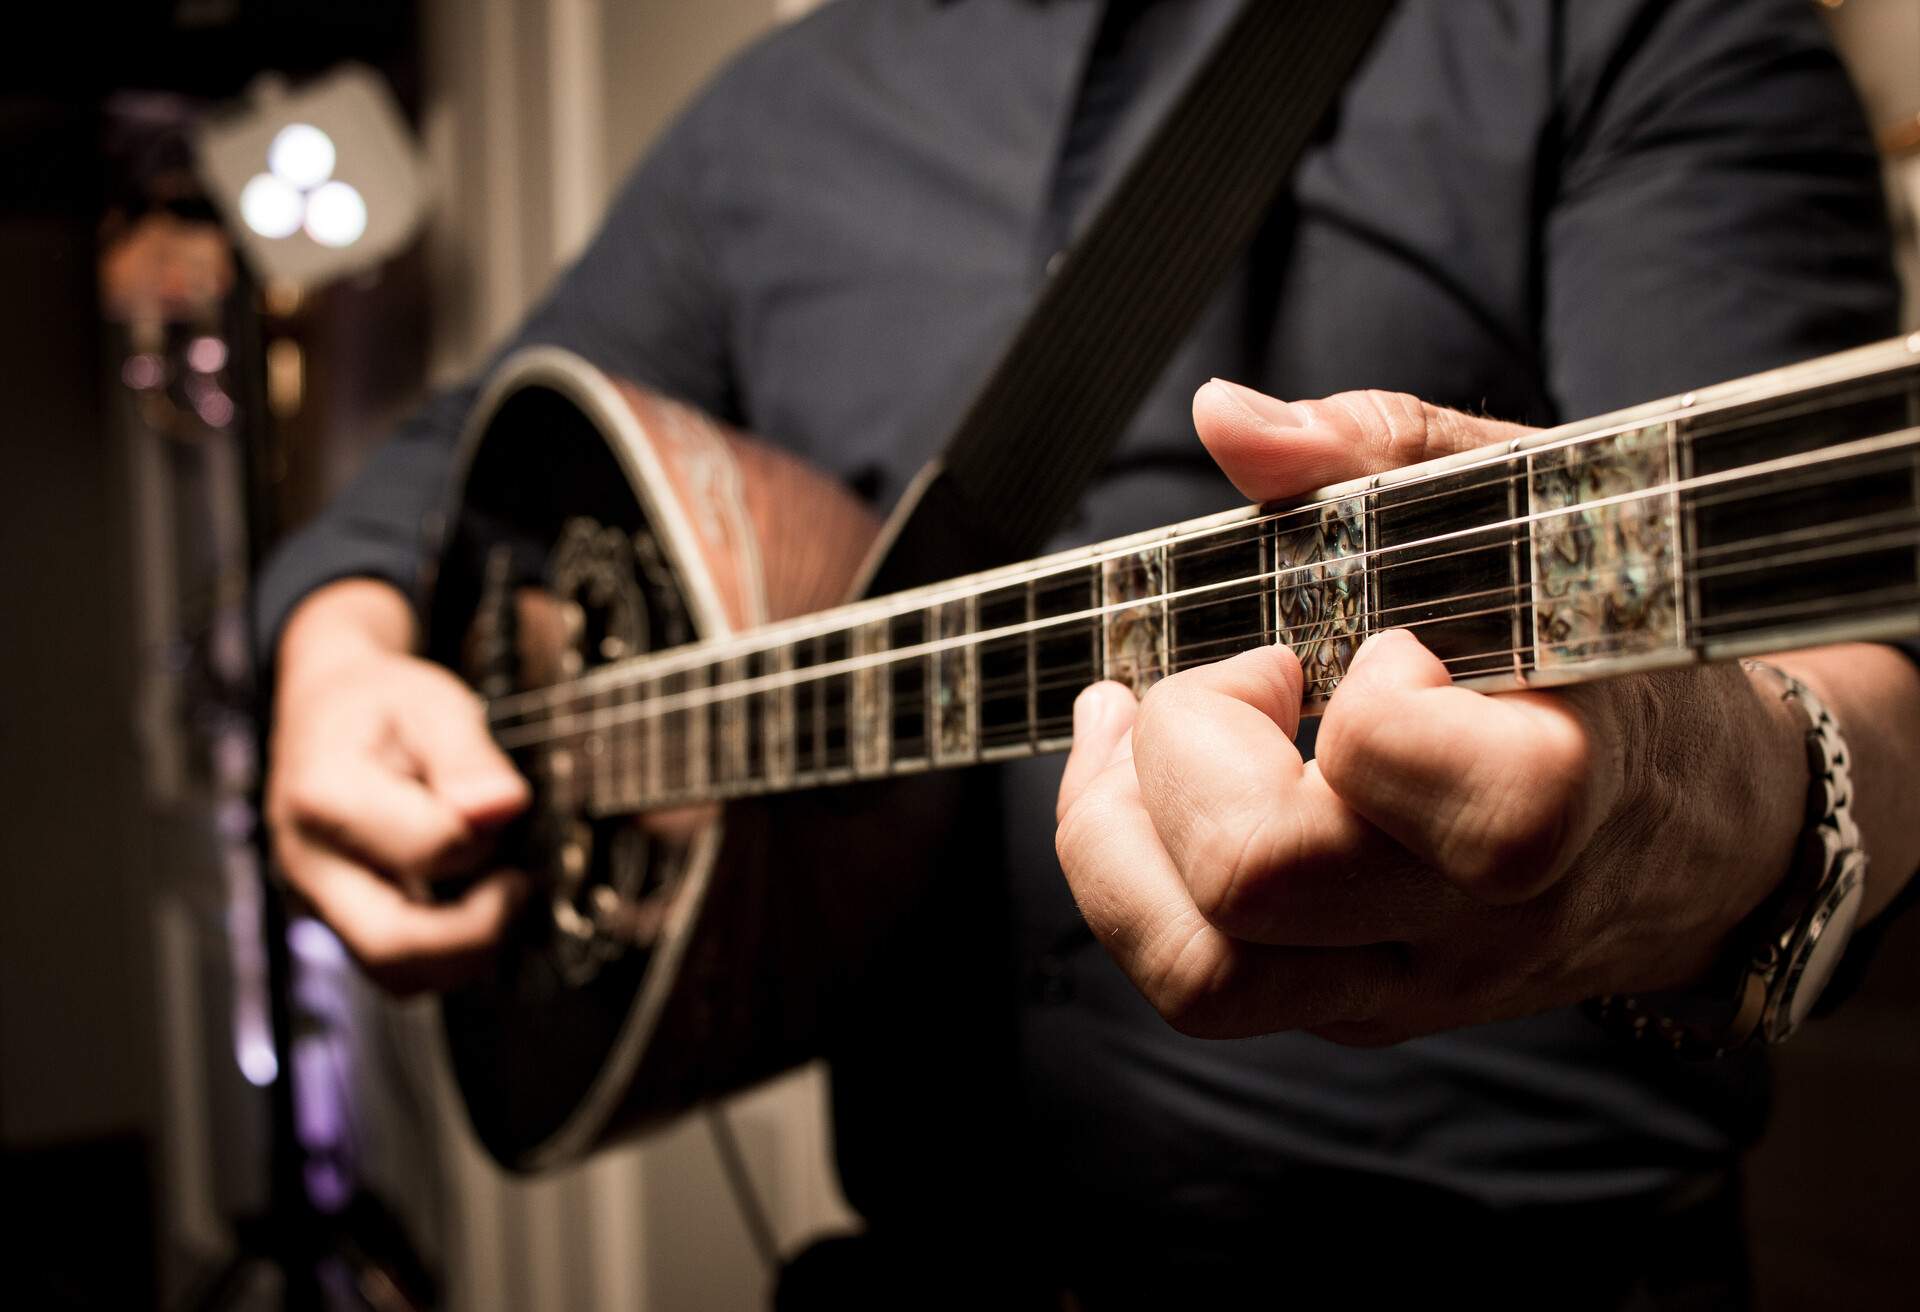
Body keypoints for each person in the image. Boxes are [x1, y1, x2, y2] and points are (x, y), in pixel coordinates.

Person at [258, 0, 1920, 1304]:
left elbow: (1862, 652)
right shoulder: (776, 116)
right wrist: (336, 648)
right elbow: (452, 451)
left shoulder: (1625, 17)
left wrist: (1722, 798)